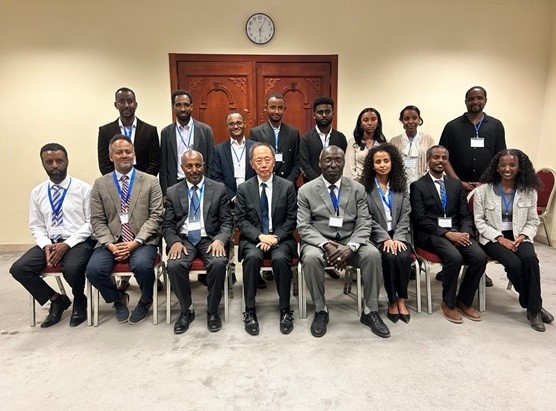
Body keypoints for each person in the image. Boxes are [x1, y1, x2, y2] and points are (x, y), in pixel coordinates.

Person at [297, 145, 389, 338]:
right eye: (328, 160)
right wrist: (327, 245)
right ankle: (321, 310)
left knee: (372, 254)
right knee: (311, 258)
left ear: (344, 163)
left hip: (350, 239)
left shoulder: (357, 189)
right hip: (319, 242)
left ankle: (370, 311)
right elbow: (304, 226)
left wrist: (351, 247)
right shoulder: (306, 190)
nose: (333, 165)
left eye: (338, 160)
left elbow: (364, 222)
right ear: (320, 163)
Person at [10, 143, 95, 328]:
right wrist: (45, 244)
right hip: (49, 242)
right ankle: (57, 299)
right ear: (43, 164)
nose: (55, 165)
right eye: (49, 162)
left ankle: (79, 300)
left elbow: (91, 223)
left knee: (72, 268)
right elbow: (36, 225)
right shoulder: (37, 192)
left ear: (67, 161)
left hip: (77, 242)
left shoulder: (83, 189)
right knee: (19, 269)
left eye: (59, 161)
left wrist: (67, 244)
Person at [86, 135, 164, 324]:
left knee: (143, 266)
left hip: (142, 240)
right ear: (110, 156)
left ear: (134, 154)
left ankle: (145, 300)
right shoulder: (100, 184)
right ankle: (118, 299)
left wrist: (136, 242)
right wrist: (110, 245)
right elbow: (97, 219)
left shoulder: (150, 181)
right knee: (93, 270)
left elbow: (156, 216)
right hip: (111, 241)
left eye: (128, 151)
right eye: (119, 152)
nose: (124, 155)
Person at [473, 149, 554, 332]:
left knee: (530, 259)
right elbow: (480, 222)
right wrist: (500, 238)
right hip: (493, 238)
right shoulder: (483, 190)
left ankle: (533, 308)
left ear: (520, 167)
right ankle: (534, 307)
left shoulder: (529, 191)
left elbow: (533, 221)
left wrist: (523, 236)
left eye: (512, 165)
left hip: (520, 236)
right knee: (514, 264)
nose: (507, 169)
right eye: (503, 165)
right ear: (497, 167)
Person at [410, 145, 487, 324]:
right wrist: (447, 234)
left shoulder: (455, 185)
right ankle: (449, 303)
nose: (440, 161)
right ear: (428, 161)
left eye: (444, 158)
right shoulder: (418, 186)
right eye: (436, 157)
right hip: (431, 234)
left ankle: (464, 301)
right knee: (454, 257)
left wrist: (466, 232)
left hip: (457, 232)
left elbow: (464, 215)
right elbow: (420, 219)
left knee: (479, 257)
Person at [438, 86, 505, 287]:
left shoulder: (496, 125)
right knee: (454, 223)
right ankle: (450, 265)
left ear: (485, 100)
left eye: (479, 98)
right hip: (456, 185)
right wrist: (457, 181)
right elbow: (443, 157)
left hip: (486, 187)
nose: (476, 101)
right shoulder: (452, 126)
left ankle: (479, 269)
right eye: (471, 98)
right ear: (465, 101)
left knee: (481, 226)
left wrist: (486, 181)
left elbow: (501, 157)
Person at [163, 150, 232, 334]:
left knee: (218, 263)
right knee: (174, 265)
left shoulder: (218, 188)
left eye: (197, 165)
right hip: (184, 239)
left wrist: (220, 240)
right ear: (182, 168)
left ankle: (212, 311)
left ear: (203, 166)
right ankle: (187, 310)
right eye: (189, 166)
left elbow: (227, 222)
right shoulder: (173, 191)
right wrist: (174, 241)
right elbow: (167, 225)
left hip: (210, 238)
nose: (194, 169)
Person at [235, 143, 298, 335]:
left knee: (280, 258)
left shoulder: (287, 186)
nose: (263, 164)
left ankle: (285, 309)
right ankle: (250, 310)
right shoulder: (244, 188)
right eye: (259, 160)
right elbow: (241, 220)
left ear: (274, 162)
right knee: (253, 258)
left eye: (267, 159)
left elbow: (291, 219)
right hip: (253, 238)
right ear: (252, 164)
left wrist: (275, 238)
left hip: (281, 238)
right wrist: (261, 236)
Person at [361, 143, 412, 324]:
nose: (382, 165)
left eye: (386, 161)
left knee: (403, 257)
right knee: (389, 258)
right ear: (372, 165)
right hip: (377, 235)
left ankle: (401, 300)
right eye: (378, 162)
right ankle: (392, 300)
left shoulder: (401, 185)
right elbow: (366, 218)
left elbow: (406, 214)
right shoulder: (364, 188)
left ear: (392, 162)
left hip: (400, 233)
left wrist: (398, 237)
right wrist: (384, 238)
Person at [159, 90, 215, 195]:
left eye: (186, 105)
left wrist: (209, 187)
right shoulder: (166, 133)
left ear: (191, 107)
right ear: (173, 107)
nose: (182, 109)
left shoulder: (205, 130)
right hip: (175, 185)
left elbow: (211, 162)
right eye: (178, 105)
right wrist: (165, 192)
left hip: (200, 183)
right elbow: (163, 166)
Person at [98, 87, 160, 176]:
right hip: (115, 181)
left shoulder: (150, 130)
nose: (126, 105)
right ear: (116, 105)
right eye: (121, 101)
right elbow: (104, 164)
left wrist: (143, 181)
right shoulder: (105, 131)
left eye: (130, 101)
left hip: (144, 181)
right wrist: (118, 180)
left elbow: (155, 163)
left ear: (136, 104)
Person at [249, 93, 300, 184]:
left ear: (284, 109)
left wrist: (288, 183)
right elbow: (254, 160)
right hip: (264, 182)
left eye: (280, 108)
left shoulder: (293, 133)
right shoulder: (256, 133)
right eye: (273, 107)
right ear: (266, 108)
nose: (276, 111)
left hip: (288, 183)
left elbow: (298, 162)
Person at [212, 111, 256, 205]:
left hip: (253, 199)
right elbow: (216, 177)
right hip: (228, 202)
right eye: (231, 124)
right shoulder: (218, 150)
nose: (236, 127)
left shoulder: (256, 147)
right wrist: (232, 197)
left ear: (244, 124)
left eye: (239, 123)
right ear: (226, 126)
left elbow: (259, 172)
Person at [299, 97, 347, 183]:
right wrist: (321, 183)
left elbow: (343, 162)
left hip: (336, 184)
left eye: (327, 112)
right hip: (312, 186)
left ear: (333, 113)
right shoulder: (306, 139)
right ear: (314, 115)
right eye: (320, 112)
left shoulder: (341, 138)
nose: (324, 115)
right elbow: (304, 165)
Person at [389, 105, 435, 187]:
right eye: (406, 118)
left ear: (419, 119)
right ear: (402, 120)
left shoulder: (428, 139)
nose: (410, 121)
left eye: (414, 118)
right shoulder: (393, 142)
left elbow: (432, 162)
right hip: (401, 186)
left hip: (424, 185)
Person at [344, 108, 386, 182]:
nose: (370, 123)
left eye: (373, 119)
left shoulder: (383, 143)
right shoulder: (353, 142)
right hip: (357, 184)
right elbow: (349, 169)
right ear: (360, 123)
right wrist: (359, 185)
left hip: (379, 184)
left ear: (378, 122)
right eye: (366, 120)